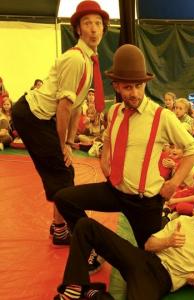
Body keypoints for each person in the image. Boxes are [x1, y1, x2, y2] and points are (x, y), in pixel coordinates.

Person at [54, 44, 194, 251]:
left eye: (139, 86)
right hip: (115, 190)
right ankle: (95, 246)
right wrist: (104, 160)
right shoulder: (114, 112)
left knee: (147, 255)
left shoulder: (161, 116)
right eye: (128, 87)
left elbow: (193, 149)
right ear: (116, 86)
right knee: (64, 199)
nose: (134, 93)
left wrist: (174, 182)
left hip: (144, 201)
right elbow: (108, 137)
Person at [11, 0, 109, 246]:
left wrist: (68, 141)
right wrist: (63, 144)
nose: (94, 29)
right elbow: (63, 107)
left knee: (66, 171)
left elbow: (75, 108)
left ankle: (59, 227)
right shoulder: (76, 59)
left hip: (42, 117)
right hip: (32, 115)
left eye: (98, 24)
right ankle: (77, 235)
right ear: (78, 30)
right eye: (88, 24)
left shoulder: (90, 60)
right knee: (61, 172)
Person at [54, 190, 194, 300]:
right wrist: (167, 242)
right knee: (86, 225)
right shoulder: (185, 222)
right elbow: (149, 245)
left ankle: (95, 295)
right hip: (144, 260)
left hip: (163, 279)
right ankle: (75, 287)